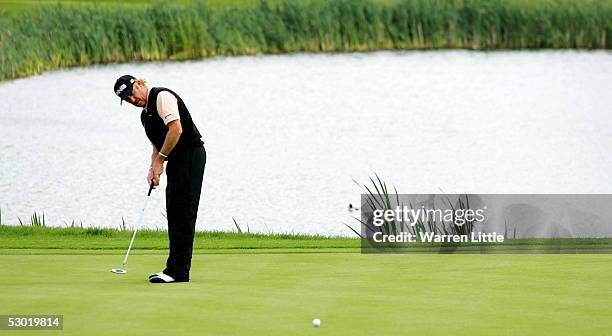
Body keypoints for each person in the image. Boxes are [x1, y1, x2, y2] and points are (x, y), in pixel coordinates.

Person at [113, 75, 206, 283]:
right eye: (127, 100)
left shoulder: (161, 96)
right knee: (174, 211)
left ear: (139, 84)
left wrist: (161, 161)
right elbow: (157, 144)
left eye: (132, 94)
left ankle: (178, 271)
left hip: (190, 154)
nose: (132, 100)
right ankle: (175, 268)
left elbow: (176, 130)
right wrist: (153, 167)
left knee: (183, 212)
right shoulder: (145, 117)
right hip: (176, 159)